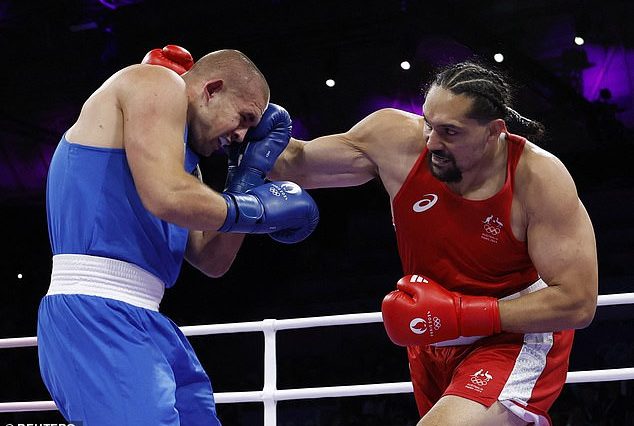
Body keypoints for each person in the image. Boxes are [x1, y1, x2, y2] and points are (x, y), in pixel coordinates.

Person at [270, 61, 598, 425]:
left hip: (511, 337)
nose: (431, 142)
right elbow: (294, 164)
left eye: (450, 132)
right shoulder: (396, 140)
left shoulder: (537, 178)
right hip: (430, 337)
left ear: (494, 132)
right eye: (428, 123)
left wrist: (462, 315)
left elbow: (578, 302)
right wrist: (245, 123)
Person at [37, 46, 319, 426]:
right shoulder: (157, 81)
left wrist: (245, 184)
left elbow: (211, 260)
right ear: (211, 89)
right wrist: (254, 210)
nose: (240, 136)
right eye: (244, 117)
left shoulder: (183, 165)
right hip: (96, 309)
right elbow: (165, 195)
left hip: (147, 318)